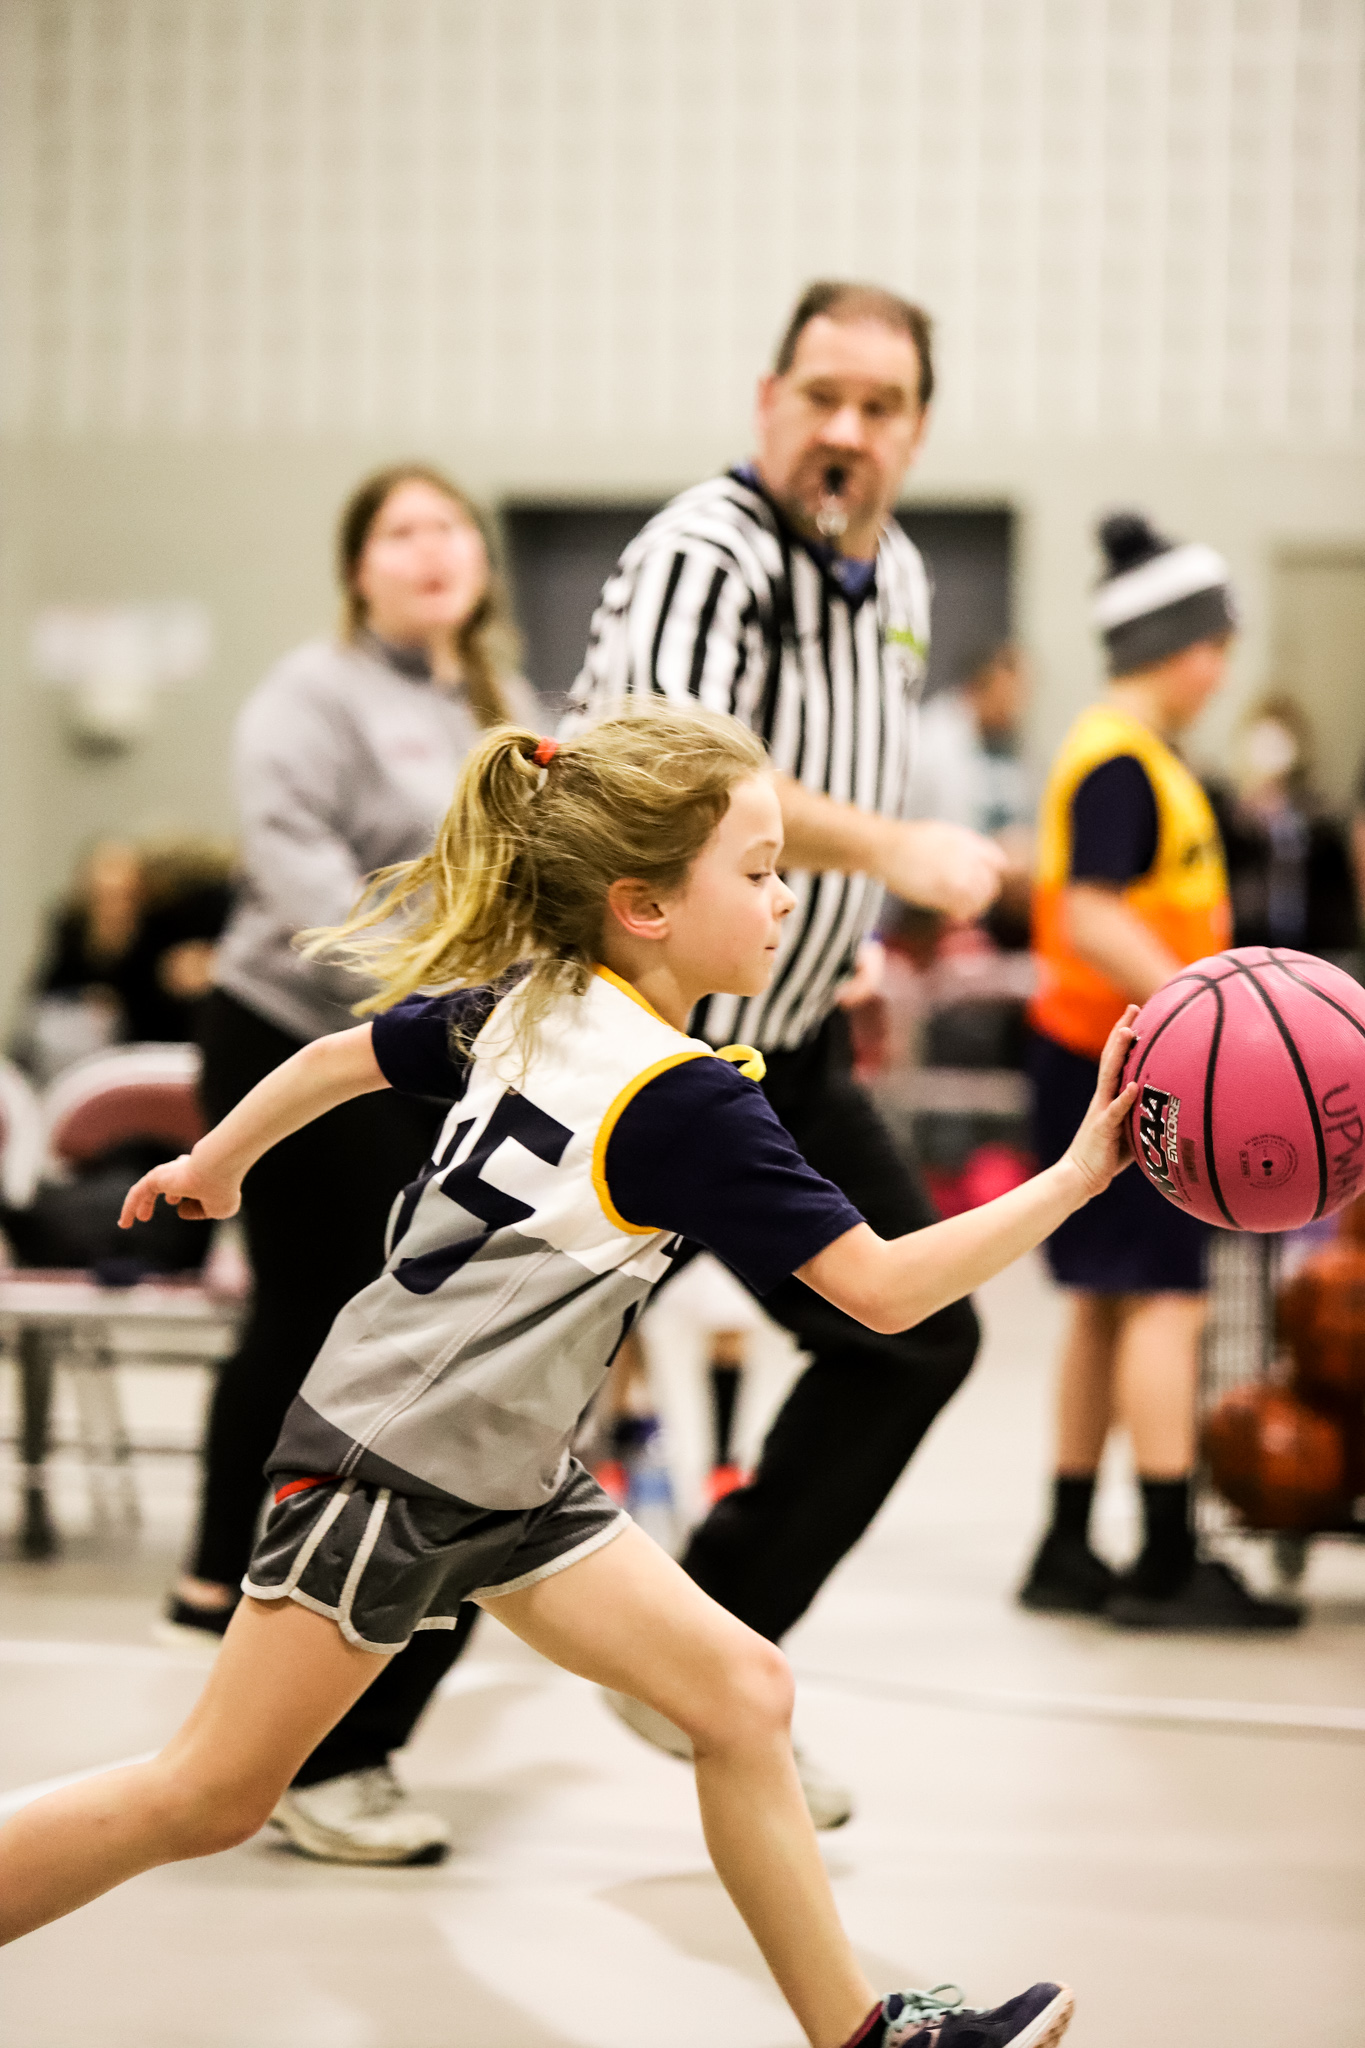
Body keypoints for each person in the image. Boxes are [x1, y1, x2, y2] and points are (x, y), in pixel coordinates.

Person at [0, 705, 1143, 2048]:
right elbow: (885, 1293)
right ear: (643, 906)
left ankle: (862, 2036)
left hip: (499, 1465)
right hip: (391, 1463)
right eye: (761, 870)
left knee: (741, 1694)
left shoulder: (535, 1002)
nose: (788, 898)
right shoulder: (681, 1099)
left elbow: (330, 1059)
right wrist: (1076, 1173)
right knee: (207, 1795)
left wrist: (218, 1164)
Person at [556, 279, 1005, 1821]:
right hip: (629, 1063)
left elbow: (816, 790)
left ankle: (694, 1662)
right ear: (767, 403)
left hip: (786, 1050)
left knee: (918, 1336)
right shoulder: (708, 550)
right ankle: (321, 1755)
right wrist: (902, 848)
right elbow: (687, 784)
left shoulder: (898, 576)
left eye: (880, 408)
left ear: (917, 432)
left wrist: (846, 933)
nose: (846, 431)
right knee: (505, 1404)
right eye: (822, 395)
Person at [167, 462, 538, 1864]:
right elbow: (299, 871)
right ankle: (235, 1586)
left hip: (436, 1049)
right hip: (296, 1032)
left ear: (479, 564)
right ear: (359, 567)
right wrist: (441, 991)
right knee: (313, 1310)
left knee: (357, 1321)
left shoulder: (491, 707)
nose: (433, 549)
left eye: (452, 527)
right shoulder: (307, 697)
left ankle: (269, 1600)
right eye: (403, 530)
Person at [1018, 511, 1301, 1631]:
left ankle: (1067, 1537)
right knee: (1166, 1302)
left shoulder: (1120, 752)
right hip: (1128, 1065)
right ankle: (1168, 1553)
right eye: (1217, 644)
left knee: (1103, 1304)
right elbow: (1090, 911)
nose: (1224, 668)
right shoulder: (1123, 763)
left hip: (1087, 1051)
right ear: (1183, 648)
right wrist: (1216, 1011)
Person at [1206, 694, 1358, 959]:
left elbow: (1338, 907)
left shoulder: (1320, 826)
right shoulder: (1225, 820)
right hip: (1242, 952)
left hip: (1310, 953)